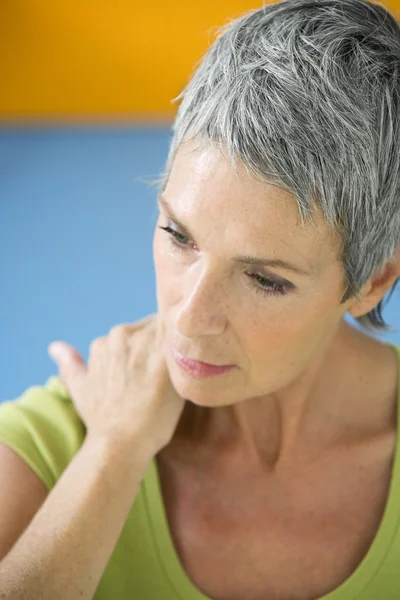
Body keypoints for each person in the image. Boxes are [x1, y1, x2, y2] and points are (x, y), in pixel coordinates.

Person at [0, 0, 400, 598]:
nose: (189, 317)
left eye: (265, 279)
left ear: (371, 283)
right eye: (178, 235)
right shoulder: (54, 443)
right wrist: (112, 453)